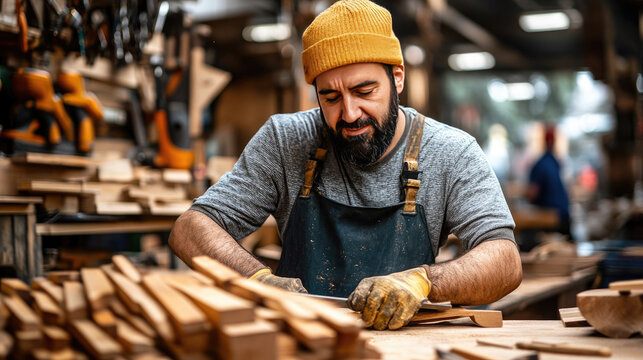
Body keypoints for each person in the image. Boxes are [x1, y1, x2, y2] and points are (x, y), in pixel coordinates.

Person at [169, 0, 521, 330]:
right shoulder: (285, 140)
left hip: (406, 345)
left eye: (365, 91)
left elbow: (505, 260)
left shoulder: (451, 152)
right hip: (304, 338)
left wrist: (423, 281)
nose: (349, 114)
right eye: (331, 97)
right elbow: (190, 229)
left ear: (397, 77)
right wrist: (258, 280)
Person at [527, 124, 571, 239]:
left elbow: (532, 193)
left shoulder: (540, 164)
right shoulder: (555, 162)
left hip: (553, 222)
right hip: (565, 217)